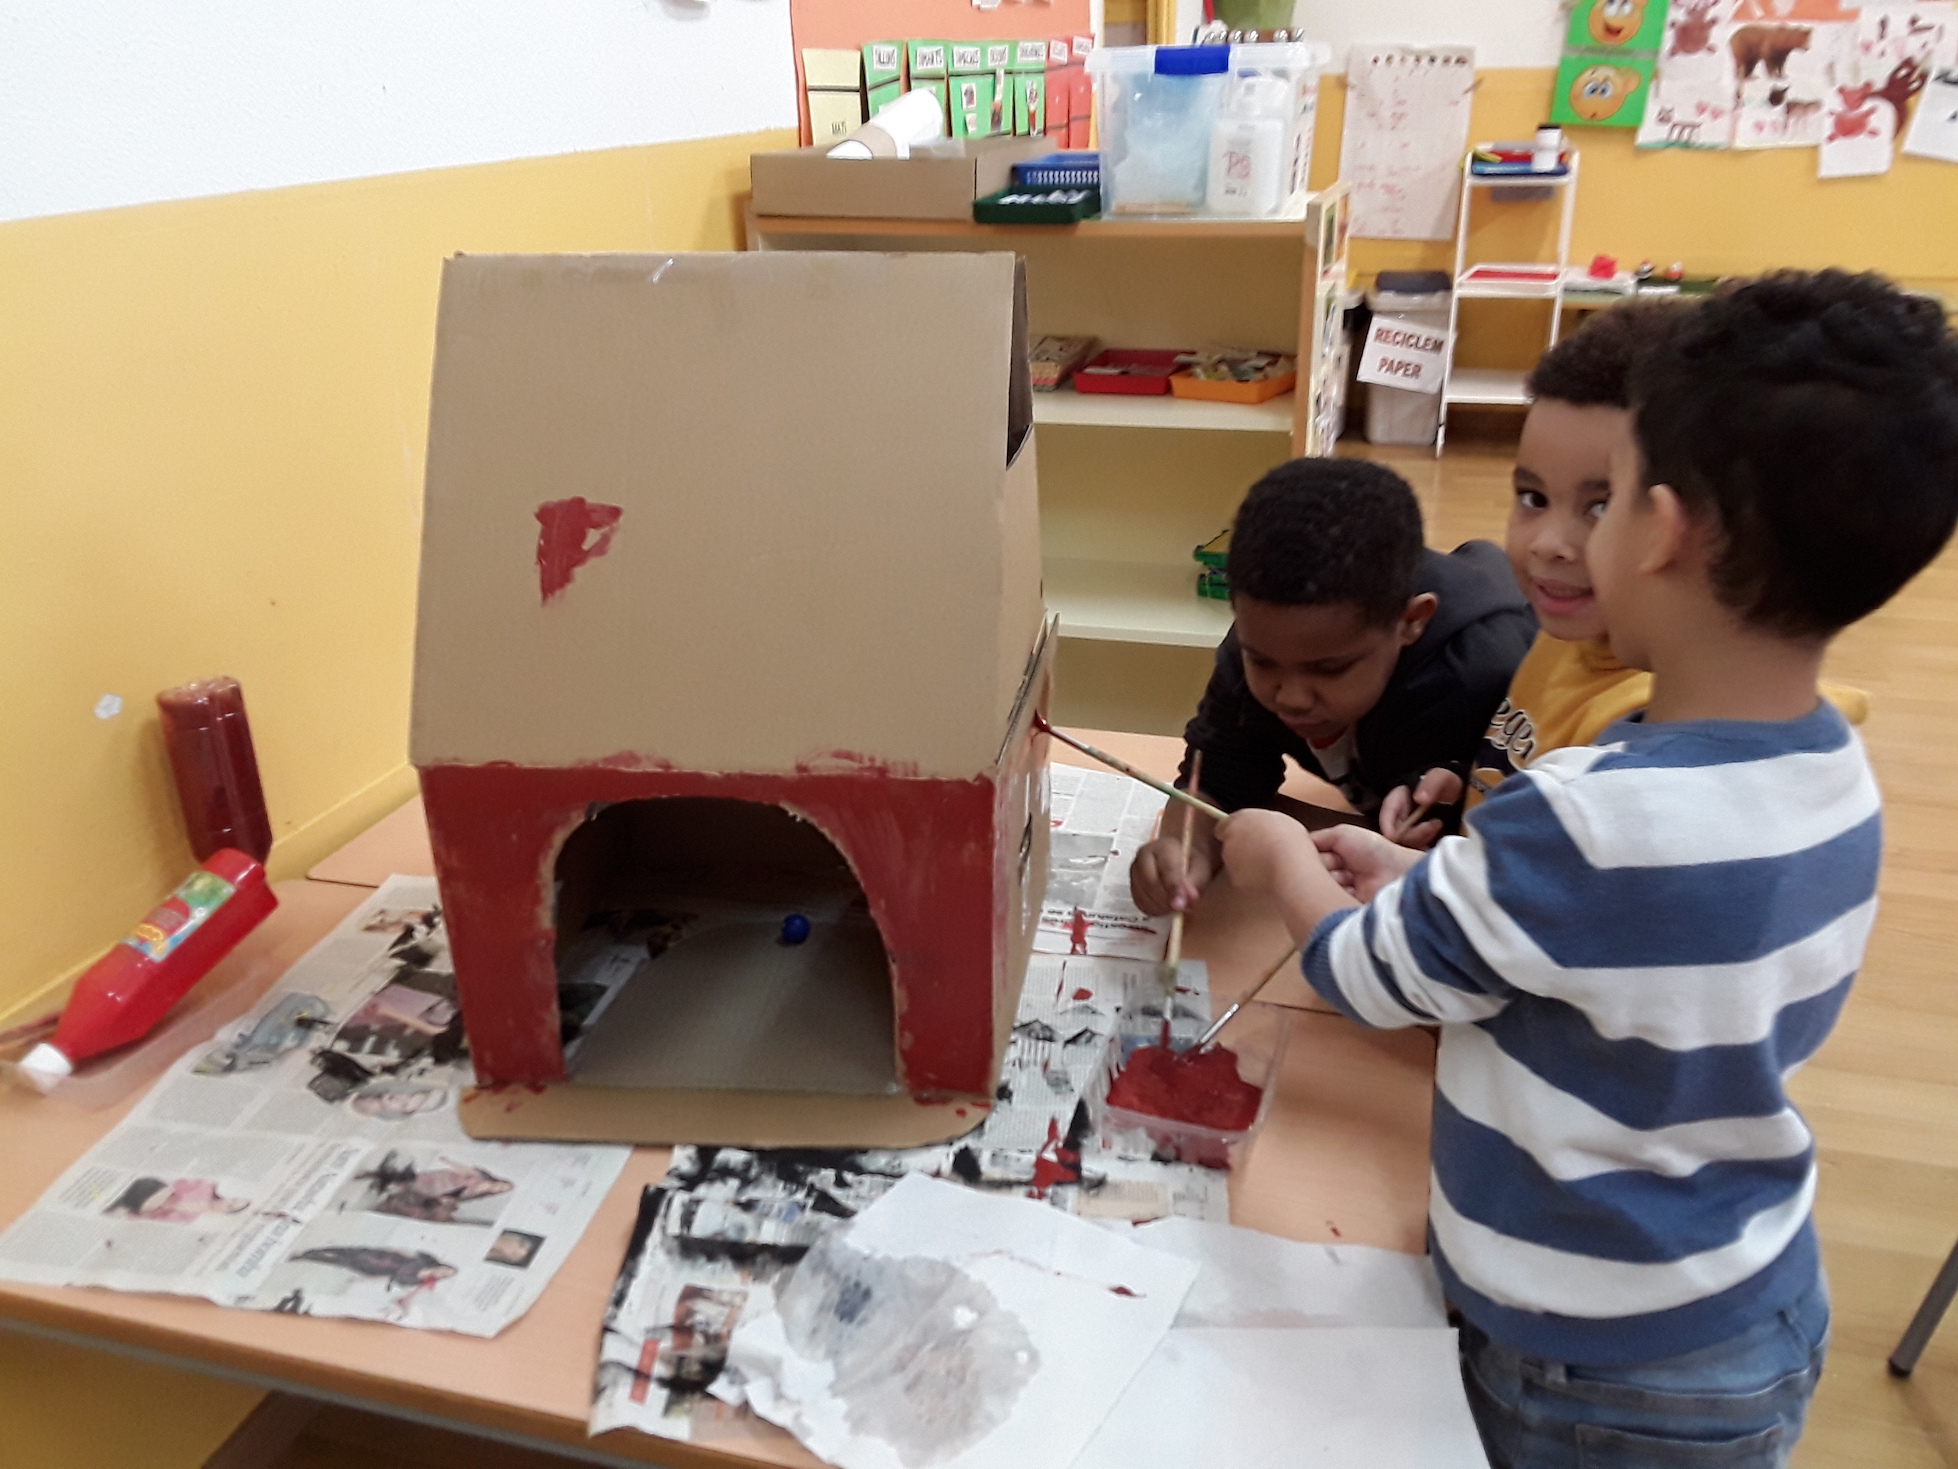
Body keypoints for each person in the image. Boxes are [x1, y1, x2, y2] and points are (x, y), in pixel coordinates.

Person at [1218, 270, 1958, 1466]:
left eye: (1603, 499)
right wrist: (1423, 878)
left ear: (1657, 529)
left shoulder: (1590, 811)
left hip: (1587, 1352)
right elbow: (1621, 951)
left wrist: (1269, 853)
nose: (1560, 536)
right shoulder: (1831, 772)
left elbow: (1364, 975)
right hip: (1739, 1294)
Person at [1381, 298, 1869, 845]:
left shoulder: (1643, 733)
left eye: (1600, 507)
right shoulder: (1570, 628)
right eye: (1533, 497)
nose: (1548, 544)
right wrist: (1457, 781)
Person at [1129, 457, 1535, 916]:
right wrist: (1186, 849)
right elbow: (1217, 774)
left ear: (1411, 623)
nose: (1290, 697)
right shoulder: (1272, 634)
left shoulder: (1486, 680)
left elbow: (1524, 869)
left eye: (1329, 669)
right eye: (1262, 661)